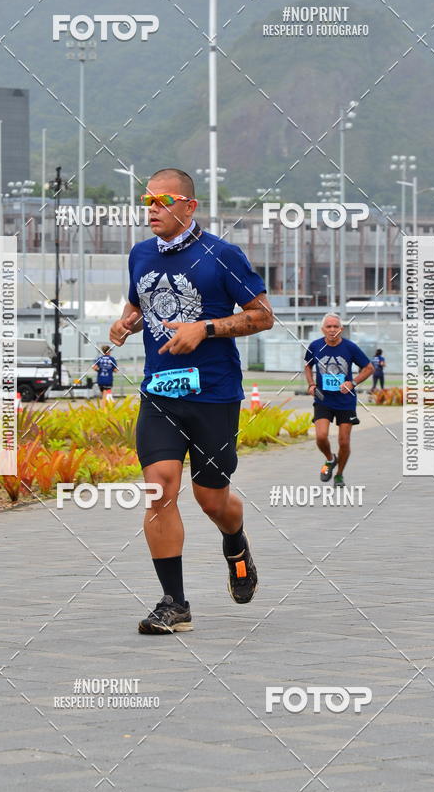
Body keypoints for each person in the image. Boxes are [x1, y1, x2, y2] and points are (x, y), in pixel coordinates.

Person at [109, 167, 273, 635]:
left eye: (162, 200)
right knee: (159, 488)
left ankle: (235, 542)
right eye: (147, 201)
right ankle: (174, 602)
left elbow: (262, 317)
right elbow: (138, 305)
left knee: (211, 498)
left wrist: (206, 328)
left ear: (188, 206)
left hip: (214, 393)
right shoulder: (140, 254)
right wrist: (124, 324)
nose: (152, 210)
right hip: (159, 392)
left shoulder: (222, 255)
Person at [304, 314, 373, 487]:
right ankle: (330, 459)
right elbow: (307, 365)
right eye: (329, 327)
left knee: (344, 441)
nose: (332, 330)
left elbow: (369, 368)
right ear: (323, 329)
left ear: (341, 329)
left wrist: (353, 382)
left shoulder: (350, 347)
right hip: (323, 400)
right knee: (320, 437)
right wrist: (311, 384)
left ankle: (339, 475)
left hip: (345, 401)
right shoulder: (315, 346)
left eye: (336, 326)